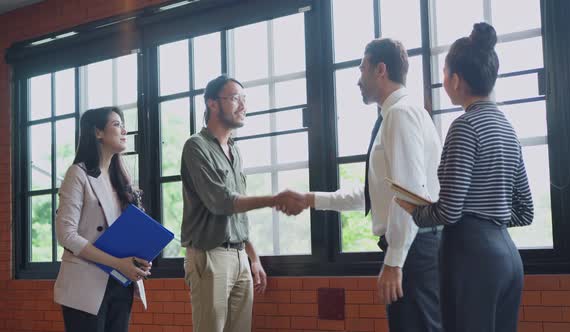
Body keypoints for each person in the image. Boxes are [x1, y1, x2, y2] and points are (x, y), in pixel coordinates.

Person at [286, 38, 444, 331]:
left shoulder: (401, 113)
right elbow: (374, 196)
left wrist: (395, 261)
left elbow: (410, 194)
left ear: (380, 70)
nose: (358, 80)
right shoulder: (393, 116)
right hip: (413, 245)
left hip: (414, 249)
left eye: (362, 69)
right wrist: (309, 199)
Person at [395, 23, 534, 332]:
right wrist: (488, 216)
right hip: (508, 258)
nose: (443, 80)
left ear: (456, 80)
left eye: (444, 73)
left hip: (472, 259)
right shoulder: (508, 129)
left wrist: (414, 210)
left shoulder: (464, 127)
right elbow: (526, 212)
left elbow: (449, 211)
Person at [181, 75, 306, 332]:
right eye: (235, 98)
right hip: (210, 255)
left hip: (239, 257)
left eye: (244, 99)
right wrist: (273, 200)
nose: (243, 105)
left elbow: (237, 214)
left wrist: (253, 257)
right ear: (212, 104)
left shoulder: (234, 150)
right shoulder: (196, 146)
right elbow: (222, 202)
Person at [55, 106, 151, 332]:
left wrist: (139, 260)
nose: (124, 130)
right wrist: (118, 263)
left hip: (121, 282)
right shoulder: (77, 174)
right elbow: (66, 235)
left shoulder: (122, 180)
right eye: (117, 124)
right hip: (85, 285)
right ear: (98, 132)